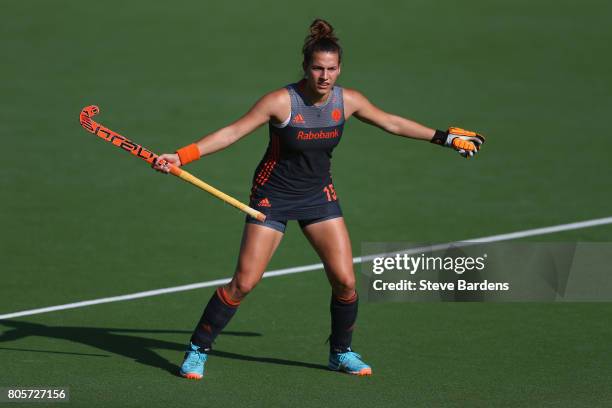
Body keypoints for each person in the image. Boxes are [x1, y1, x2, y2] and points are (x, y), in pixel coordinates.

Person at [153, 18, 485, 379]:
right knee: (244, 283)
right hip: (272, 196)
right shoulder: (281, 101)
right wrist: (182, 156)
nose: (324, 76)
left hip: (317, 196)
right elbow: (233, 132)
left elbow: (391, 122)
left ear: (339, 69)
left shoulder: (348, 100)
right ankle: (197, 350)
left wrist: (444, 137)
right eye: (317, 68)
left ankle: (340, 353)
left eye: (331, 69)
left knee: (345, 281)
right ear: (305, 68)